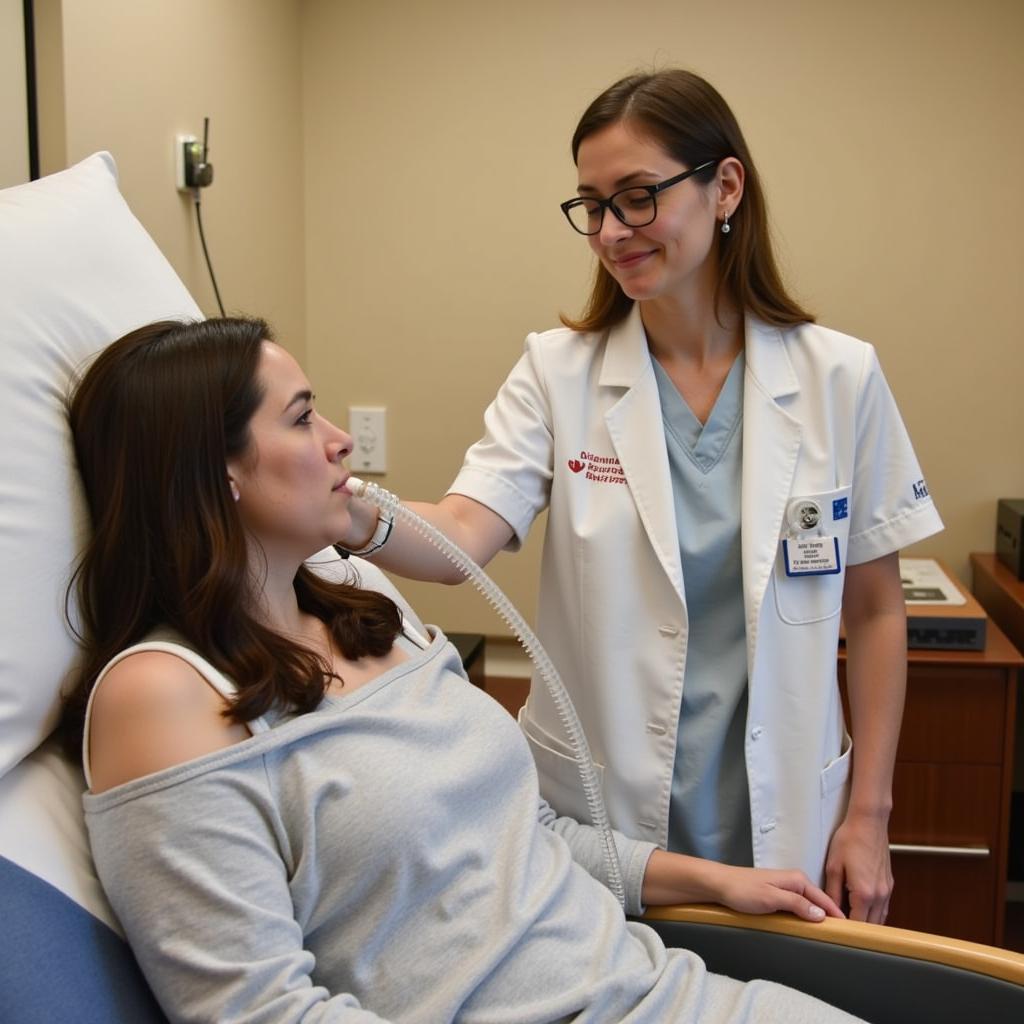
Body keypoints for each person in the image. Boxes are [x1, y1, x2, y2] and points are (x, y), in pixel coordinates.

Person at [62, 316, 863, 1023]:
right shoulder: (161, 697)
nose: (340, 439)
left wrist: (707, 881)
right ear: (215, 470)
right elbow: (256, 1008)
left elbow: (522, 840)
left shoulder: (364, 604)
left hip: (649, 984)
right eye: (304, 419)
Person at [339, 69, 943, 924]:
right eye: (591, 205)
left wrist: (870, 815)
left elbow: (877, 611)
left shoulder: (838, 376)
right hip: (606, 816)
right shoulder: (558, 373)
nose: (611, 232)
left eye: (637, 198)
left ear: (724, 186)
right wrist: (346, 505)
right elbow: (460, 535)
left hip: (785, 812)